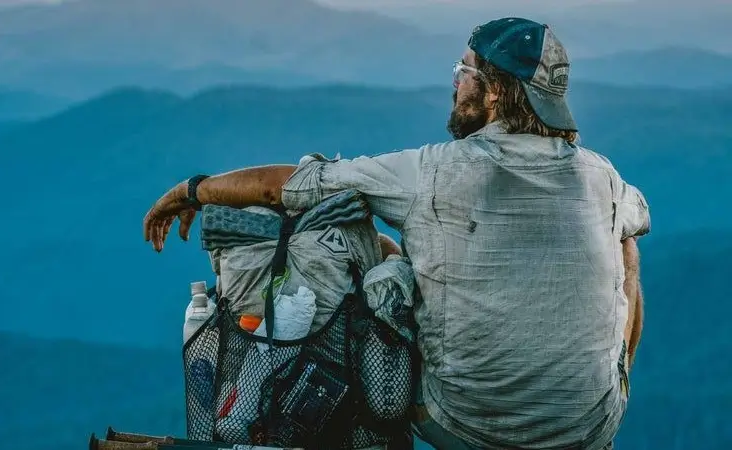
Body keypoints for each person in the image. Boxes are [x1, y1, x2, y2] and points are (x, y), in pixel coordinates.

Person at [143, 17, 649, 450]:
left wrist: (193, 190)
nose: (456, 84)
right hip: (589, 427)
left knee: (355, 238)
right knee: (624, 238)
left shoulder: (431, 172)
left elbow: (290, 188)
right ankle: (612, 379)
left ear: (493, 91)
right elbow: (636, 219)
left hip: (459, 422)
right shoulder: (603, 178)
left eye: (464, 72)